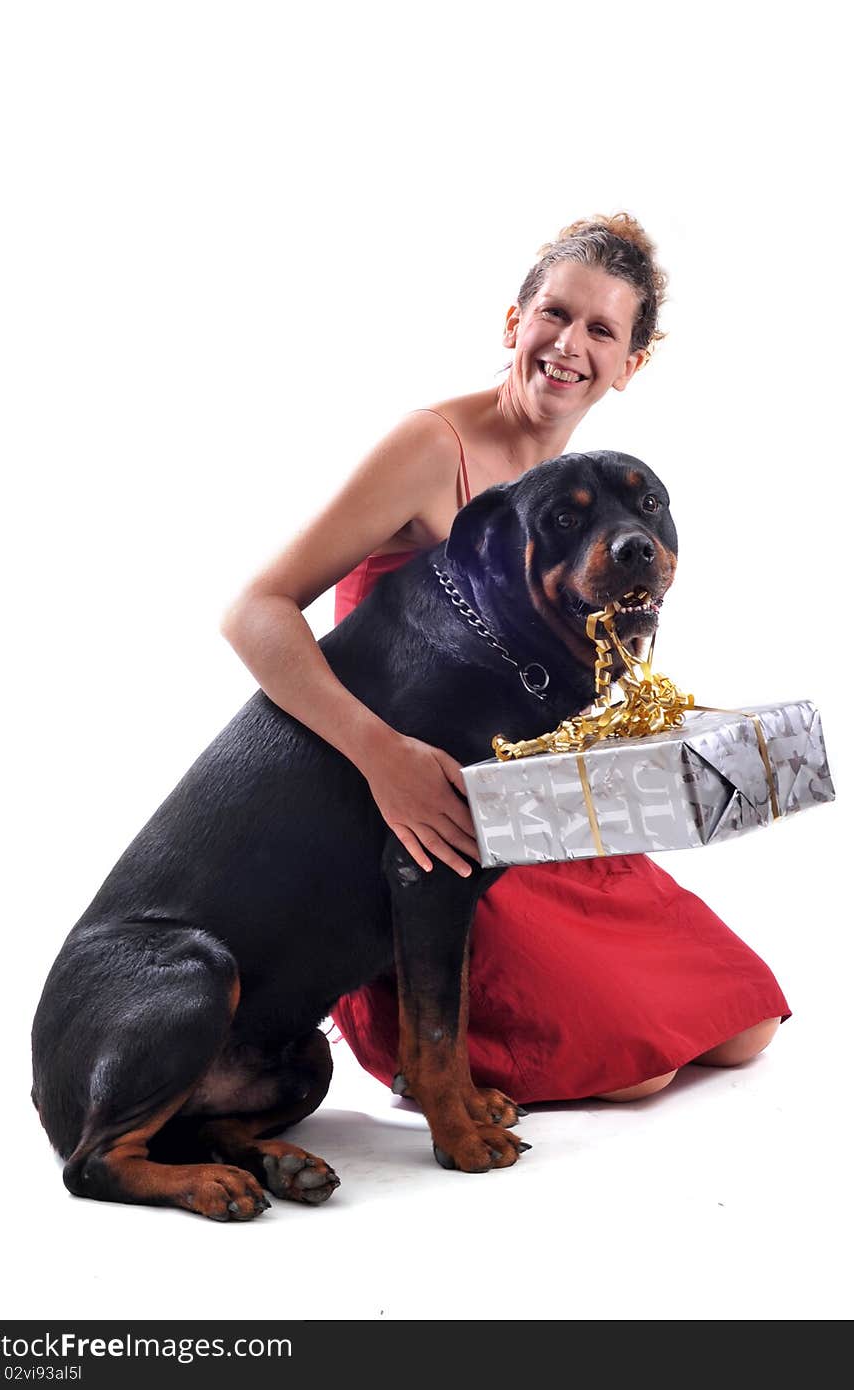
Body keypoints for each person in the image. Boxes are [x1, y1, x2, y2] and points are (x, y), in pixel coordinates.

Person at [221, 213, 789, 1104]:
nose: (569, 345)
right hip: (423, 828)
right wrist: (381, 756)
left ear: (630, 364)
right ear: (513, 322)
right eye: (554, 315)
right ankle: (433, 1052)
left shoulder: (580, 482)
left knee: (745, 1029)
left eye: (602, 330)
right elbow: (253, 613)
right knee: (645, 1070)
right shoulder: (431, 449)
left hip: (520, 809)